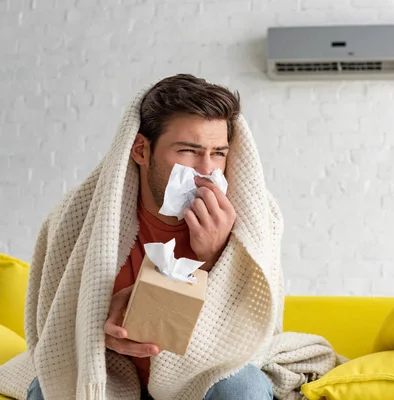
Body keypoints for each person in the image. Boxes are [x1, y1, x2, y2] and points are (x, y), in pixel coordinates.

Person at [0, 74, 288, 400]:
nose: (207, 169)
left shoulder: (253, 221)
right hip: (112, 375)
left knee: (242, 387)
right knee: (49, 387)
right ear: (141, 150)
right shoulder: (79, 219)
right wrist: (98, 326)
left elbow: (248, 335)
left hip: (203, 375)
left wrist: (215, 253)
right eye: (188, 151)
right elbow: (57, 325)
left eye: (219, 153)